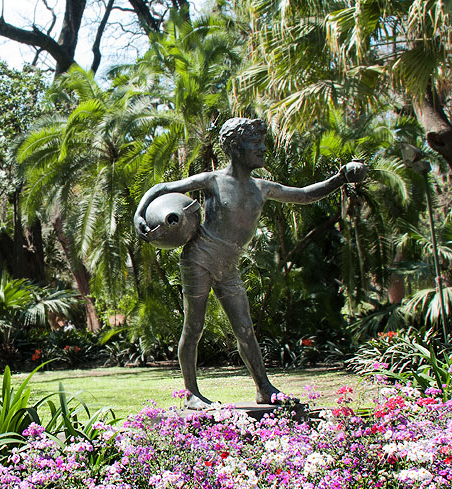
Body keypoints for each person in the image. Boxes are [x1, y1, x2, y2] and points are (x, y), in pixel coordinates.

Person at [134, 117, 367, 409]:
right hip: (200, 258)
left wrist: (341, 177)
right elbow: (162, 187)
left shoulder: (263, 187)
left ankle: (264, 389)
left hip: (228, 265)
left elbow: (306, 195)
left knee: (245, 330)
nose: (263, 149)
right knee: (193, 327)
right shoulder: (213, 181)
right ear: (235, 147)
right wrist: (140, 216)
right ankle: (191, 393)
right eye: (255, 144)